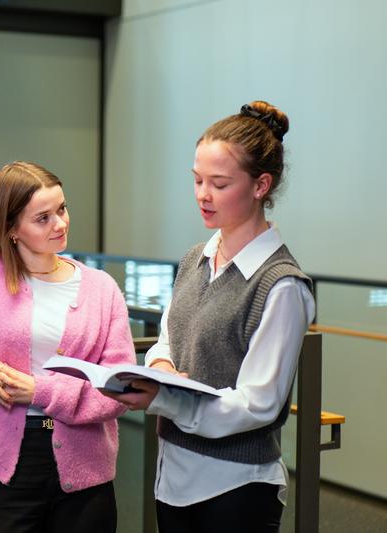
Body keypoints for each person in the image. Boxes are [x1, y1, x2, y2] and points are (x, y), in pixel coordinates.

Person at [106, 101, 315, 532]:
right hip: (175, 475)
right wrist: (161, 366)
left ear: (261, 185)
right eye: (198, 180)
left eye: (219, 183)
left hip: (236, 487)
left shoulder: (282, 285)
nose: (203, 194)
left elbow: (257, 405)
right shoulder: (193, 260)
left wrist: (162, 398)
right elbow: (168, 339)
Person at [0, 161, 136, 533]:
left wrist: (39, 390)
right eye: (43, 218)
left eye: (62, 209)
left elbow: (121, 387)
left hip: (87, 468)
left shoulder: (101, 288)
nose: (61, 224)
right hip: (6, 463)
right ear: (11, 228)